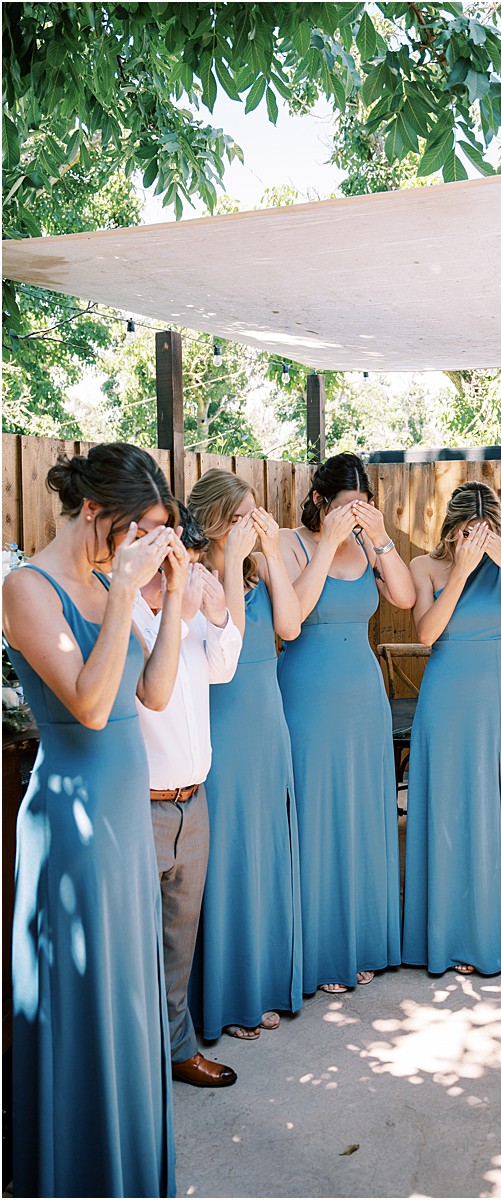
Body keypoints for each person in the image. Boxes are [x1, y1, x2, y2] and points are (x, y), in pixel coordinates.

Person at [3, 443, 183, 1197]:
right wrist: (120, 598)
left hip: (123, 813)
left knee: (128, 996)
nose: (146, 542)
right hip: (73, 827)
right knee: (83, 999)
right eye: (138, 527)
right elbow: (89, 702)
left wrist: (171, 595)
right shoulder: (27, 587)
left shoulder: (114, 576)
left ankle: (128, 1168)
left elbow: (157, 693)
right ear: (91, 511)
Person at [278, 453, 416, 992]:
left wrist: (379, 539)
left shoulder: (366, 542)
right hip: (307, 693)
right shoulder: (289, 543)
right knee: (316, 815)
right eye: (344, 507)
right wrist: (328, 545)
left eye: (363, 506)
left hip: (362, 694)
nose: (354, 515)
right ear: (318, 501)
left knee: (361, 812)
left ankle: (361, 940)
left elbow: (403, 597)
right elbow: (294, 619)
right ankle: (320, 950)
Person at [187, 469, 305, 1041]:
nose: (248, 528)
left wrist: (273, 552)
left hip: (267, 718)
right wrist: (232, 560)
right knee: (230, 854)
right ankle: (225, 995)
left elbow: (290, 624)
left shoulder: (258, 568)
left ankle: (263, 982)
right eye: (239, 518)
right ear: (212, 522)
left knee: (265, 850)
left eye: (254, 516)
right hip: (222, 720)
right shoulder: (197, 575)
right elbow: (225, 644)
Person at [403, 481, 501, 975]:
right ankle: (446, 933)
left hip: (494, 696)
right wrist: (459, 572)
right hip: (445, 695)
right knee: (446, 807)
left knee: (491, 806)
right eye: (468, 531)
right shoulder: (425, 567)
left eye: (488, 531)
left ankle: (489, 928)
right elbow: (426, 632)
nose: (477, 540)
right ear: (451, 530)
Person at [132, 503, 243, 1086]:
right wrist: (181, 609)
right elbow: (153, 688)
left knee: (180, 940)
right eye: (183, 561)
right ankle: (131, 1066)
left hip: (193, 799)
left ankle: (177, 1050)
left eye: (195, 562)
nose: (191, 572)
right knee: (132, 945)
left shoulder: (198, 605)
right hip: (140, 804)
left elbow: (223, 670)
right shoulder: (123, 608)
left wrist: (220, 614)